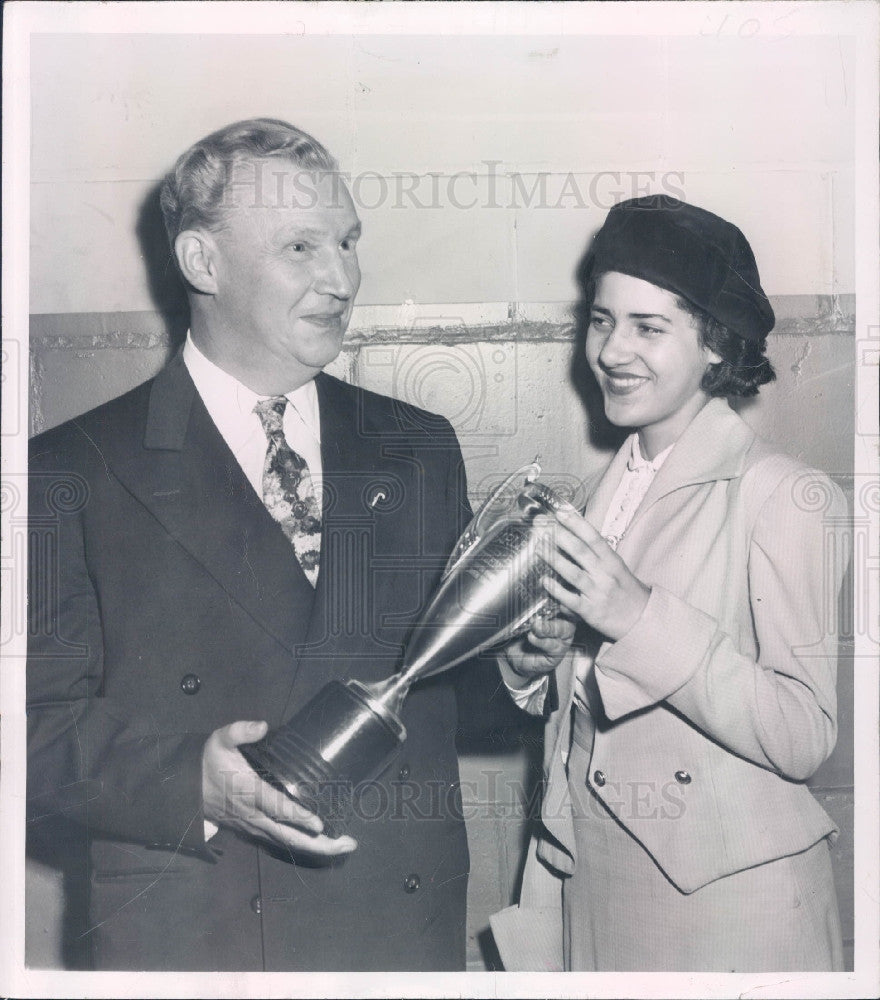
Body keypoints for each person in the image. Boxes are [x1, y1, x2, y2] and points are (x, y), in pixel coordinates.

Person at [27, 118, 473, 971]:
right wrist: (187, 781)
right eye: (301, 247)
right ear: (203, 263)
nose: (342, 277)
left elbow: (455, 690)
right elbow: (28, 733)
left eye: (347, 241)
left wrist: (527, 664)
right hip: (200, 934)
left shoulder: (417, 447)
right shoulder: (69, 471)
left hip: (394, 939)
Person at [490, 195, 849, 972]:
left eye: (649, 328)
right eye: (601, 320)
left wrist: (638, 617)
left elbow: (804, 734)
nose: (613, 350)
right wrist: (536, 661)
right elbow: (590, 701)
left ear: (716, 347)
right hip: (597, 886)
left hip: (728, 915)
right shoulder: (599, 493)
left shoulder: (781, 493)